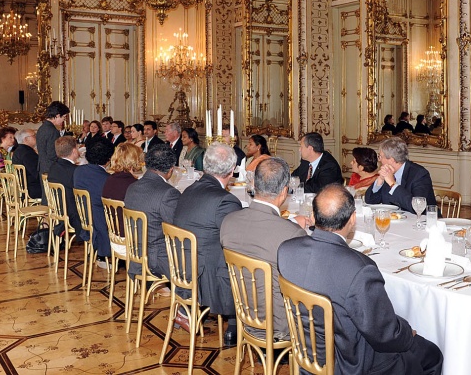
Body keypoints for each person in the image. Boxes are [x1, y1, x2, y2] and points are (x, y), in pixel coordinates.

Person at [278, 185, 444, 375]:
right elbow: (385, 334)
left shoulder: (286, 251)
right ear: (353, 219)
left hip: (308, 354)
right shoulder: (360, 269)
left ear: (313, 217)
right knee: (431, 354)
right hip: (349, 364)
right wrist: (407, 332)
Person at [220, 157, 306, 341]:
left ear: (254, 185)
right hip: (278, 325)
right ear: (284, 192)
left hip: (244, 314)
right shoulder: (292, 234)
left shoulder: (228, 221)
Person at [174, 143, 242, 345]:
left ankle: (187, 310)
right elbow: (237, 243)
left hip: (183, 267)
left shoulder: (188, 190)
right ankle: (235, 325)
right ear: (232, 170)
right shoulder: (226, 200)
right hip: (206, 278)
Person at [123, 144, 180, 279]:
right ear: (170, 170)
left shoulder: (132, 187)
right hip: (156, 260)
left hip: (135, 254)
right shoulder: (168, 193)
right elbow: (178, 228)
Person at [365, 137, 435, 213]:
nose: (379, 160)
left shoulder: (419, 174)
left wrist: (393, 184)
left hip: (423, 219)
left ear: (391, 160)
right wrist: (380, 180)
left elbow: (417, 207)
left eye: (380, 156)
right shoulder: (388, 172)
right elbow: (370, 201)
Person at [73, 140, 114, 269]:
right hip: (100, 221)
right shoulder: (106, 179)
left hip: (85, 218)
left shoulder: (78, 171)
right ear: (108, 159)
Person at [46, 135, 87, 241]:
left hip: (59, 210)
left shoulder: (53, 167)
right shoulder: (75, 171)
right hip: (73, 215)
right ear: (74, 151)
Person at [37, 102, 70, 184]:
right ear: (57, 116)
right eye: (64, 117)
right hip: (51, 169)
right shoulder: (53, 131)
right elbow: (53, 155)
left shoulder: (42, 128)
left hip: (43, 167)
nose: (64, 120)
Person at [12, 129, 42, 199]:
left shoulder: (18, 151)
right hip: (33, 189)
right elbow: (37, 173)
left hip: (24, 188)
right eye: (34, 135)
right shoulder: (28, 153)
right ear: (26, 139)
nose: (36, 137)